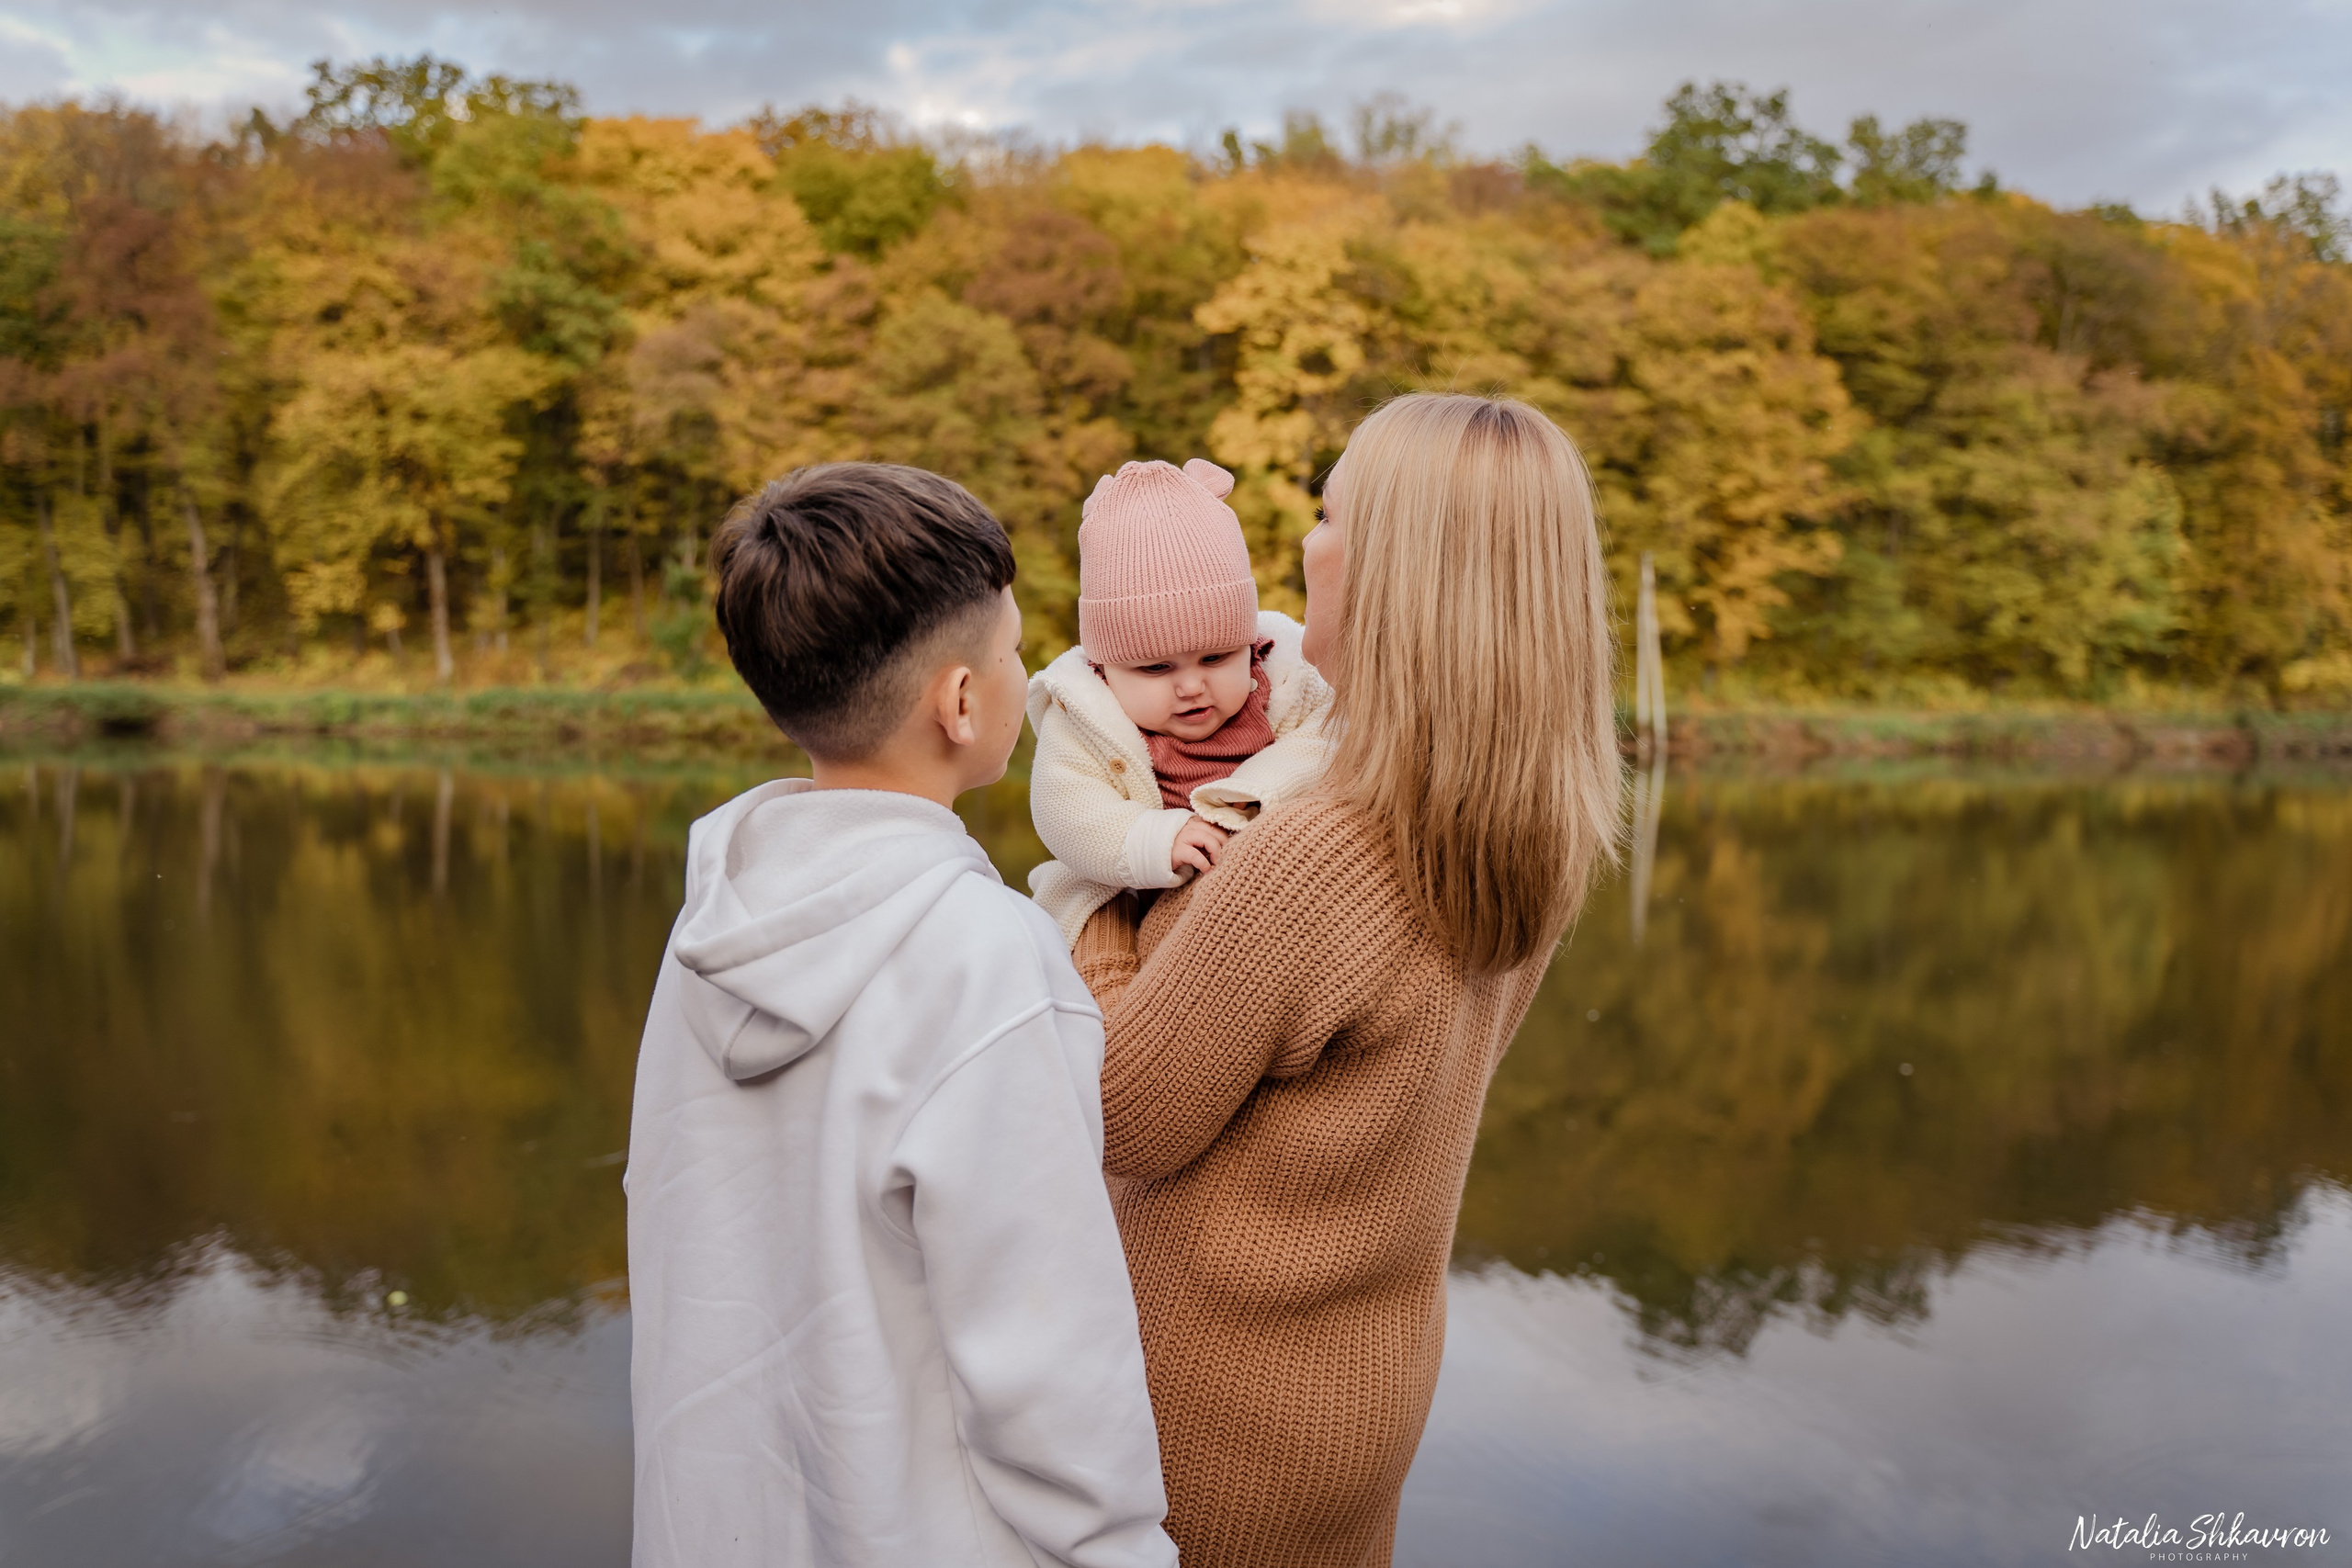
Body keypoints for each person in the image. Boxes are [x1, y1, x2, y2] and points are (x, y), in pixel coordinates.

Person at [1072, 394, 1624, 1567]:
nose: (1308, 542)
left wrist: (1101, 918)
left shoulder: (1325, 850)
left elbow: (1123, 1111)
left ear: (1393, 576)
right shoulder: (1524, 826)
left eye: (1330, 513)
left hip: (1213, 1418)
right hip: (1355, 1390)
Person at [625, 462, 1179, 1568]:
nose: (1033, 674)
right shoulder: (985, 956)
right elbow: (1052, 1364)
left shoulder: (709, 932)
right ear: (962, 703)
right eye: (1019, 650)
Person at [1026, 457, 1333, 947]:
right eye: (1156, 668)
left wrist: (1244, 798)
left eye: (1215, 657)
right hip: (1124, 905)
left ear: (1249, 644)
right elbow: (1064, 809)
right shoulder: (1085, 717)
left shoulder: (1289, 682)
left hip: (1260, 918)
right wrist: (1152, 839)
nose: (1190, 686)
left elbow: (1325, 742)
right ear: (1104, 669)